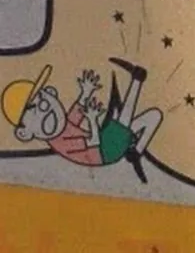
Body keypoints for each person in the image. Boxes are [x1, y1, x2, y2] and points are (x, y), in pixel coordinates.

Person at [1, 58, 163, 183]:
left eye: (43, 99)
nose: (45, 107)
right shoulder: (59, 142)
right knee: (121, 123)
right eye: (33, 108)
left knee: (154, 116)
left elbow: (77, 112)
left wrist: (86, 92)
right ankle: (137, 80)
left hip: (105, 142)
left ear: (51, 93)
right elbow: (93, 142)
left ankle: (135, 153)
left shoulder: (63, 125)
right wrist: (92, 120)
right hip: (105, 151)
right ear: (24, 133)